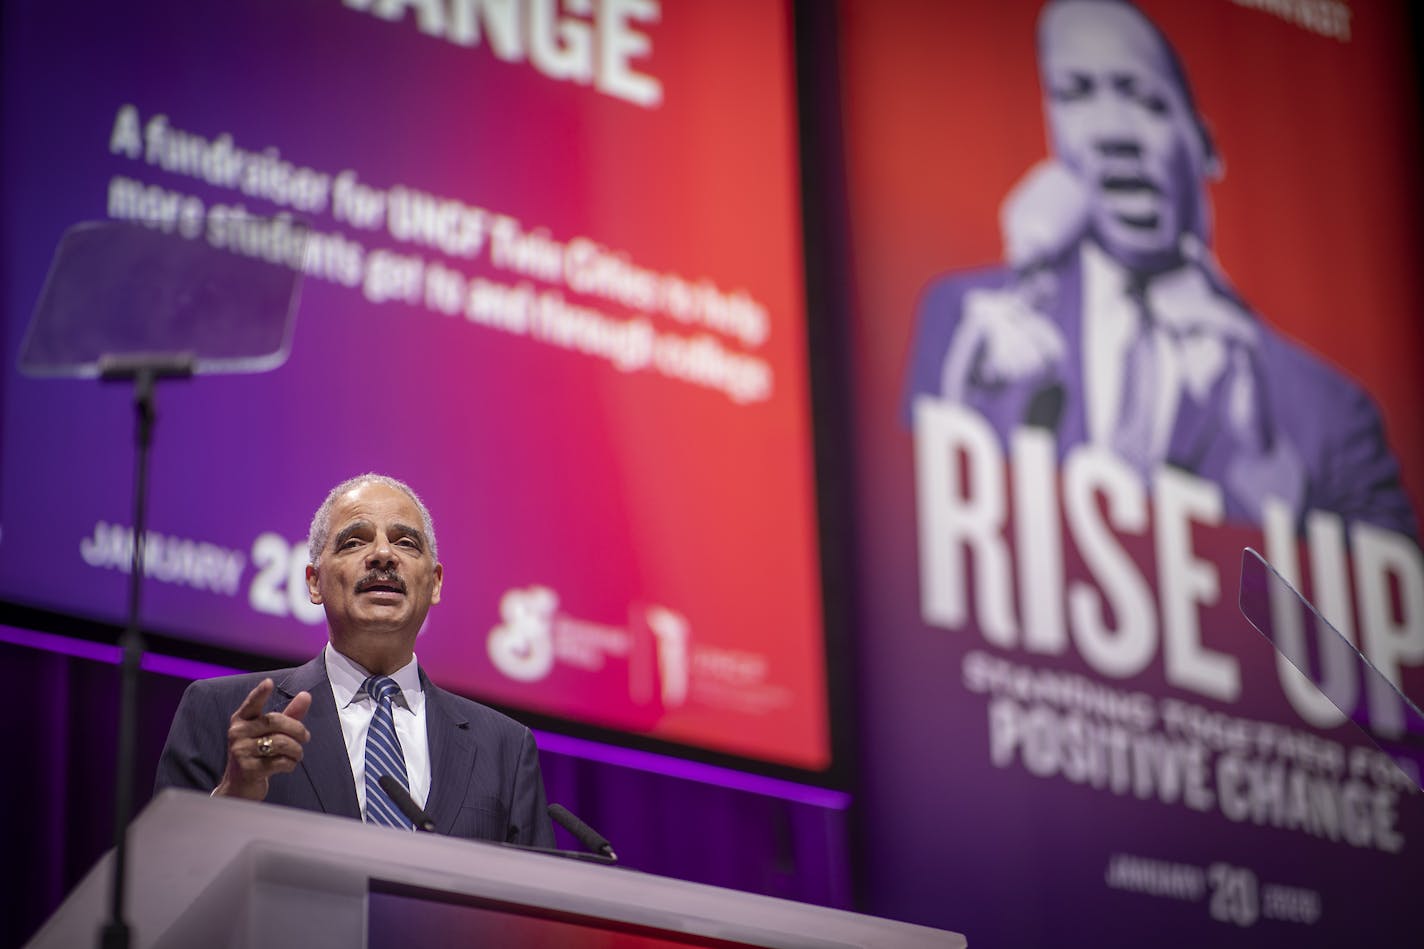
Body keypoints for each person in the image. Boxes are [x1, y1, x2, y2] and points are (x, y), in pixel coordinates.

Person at [903, 0, 1416, 537]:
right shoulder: (963, 326)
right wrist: (959, 421)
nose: (1111, 132)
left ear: (1206, 145)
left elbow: (1394, 605)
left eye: (1143, 98)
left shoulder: (1329, 410)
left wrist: (1265, 465)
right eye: (1075, 93)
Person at [155, 473, 555, 845]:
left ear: (434, 584)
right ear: (314, 582)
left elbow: (537, 912)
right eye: (354, 542)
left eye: (405, 542)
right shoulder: (222, 712)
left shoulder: (504, 748)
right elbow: (164, 880)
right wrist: (232, 795)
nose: (383, 554)